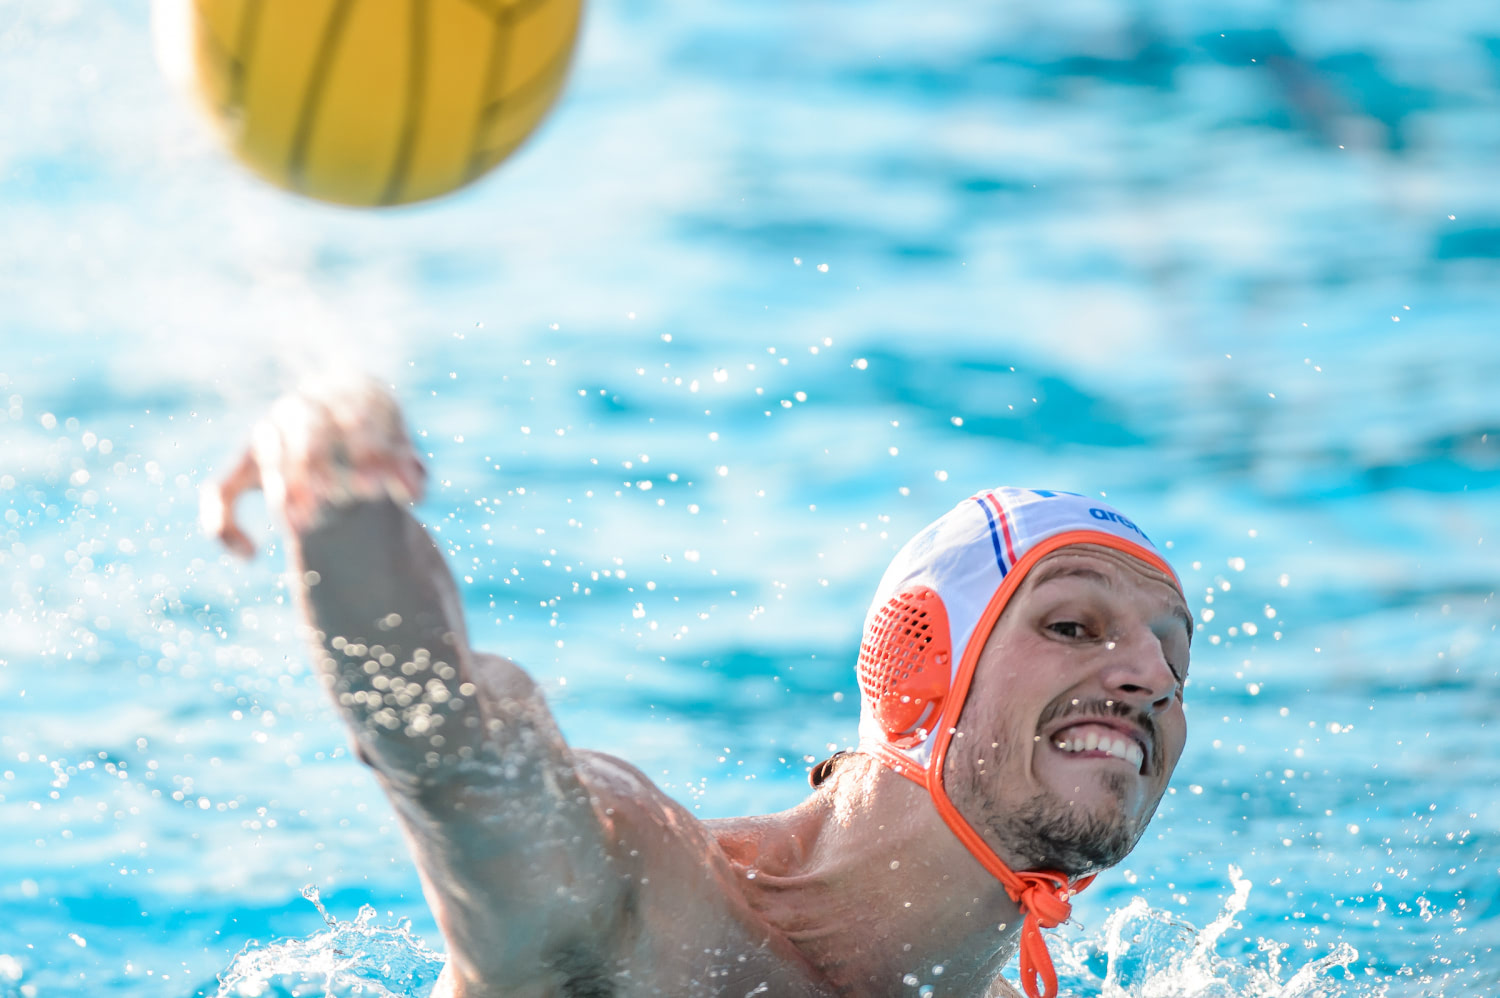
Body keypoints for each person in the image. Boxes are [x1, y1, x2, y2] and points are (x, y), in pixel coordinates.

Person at [202, 380, 1192, 998]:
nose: (1150, 676)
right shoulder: (636, 902)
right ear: (918, 662)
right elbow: (444, 738)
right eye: (1072, 624)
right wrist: (340, 493)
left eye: (1173, 656)